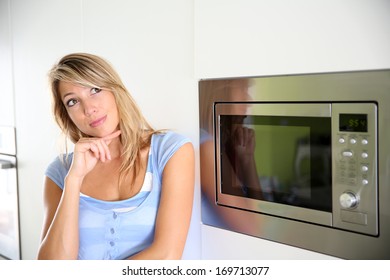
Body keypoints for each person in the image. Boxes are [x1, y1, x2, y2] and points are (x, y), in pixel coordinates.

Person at [37, 53, 195, 260]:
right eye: (73, 101)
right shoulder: (61, 171)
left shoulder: (170, 151)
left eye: (95, 90)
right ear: (66, 114)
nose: (89, 109)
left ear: (115, 90)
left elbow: (167, 255)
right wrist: (74, 180)